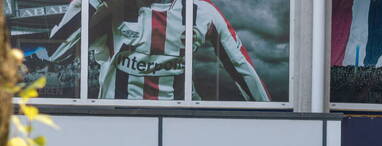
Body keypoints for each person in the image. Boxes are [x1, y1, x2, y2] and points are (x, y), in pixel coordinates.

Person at [50, 0, 271, 101]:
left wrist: (274, 117)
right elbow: (58, 51)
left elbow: (243, 69)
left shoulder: (201, 12)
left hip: (180, 122)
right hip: (117, 122)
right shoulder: (109, 8)